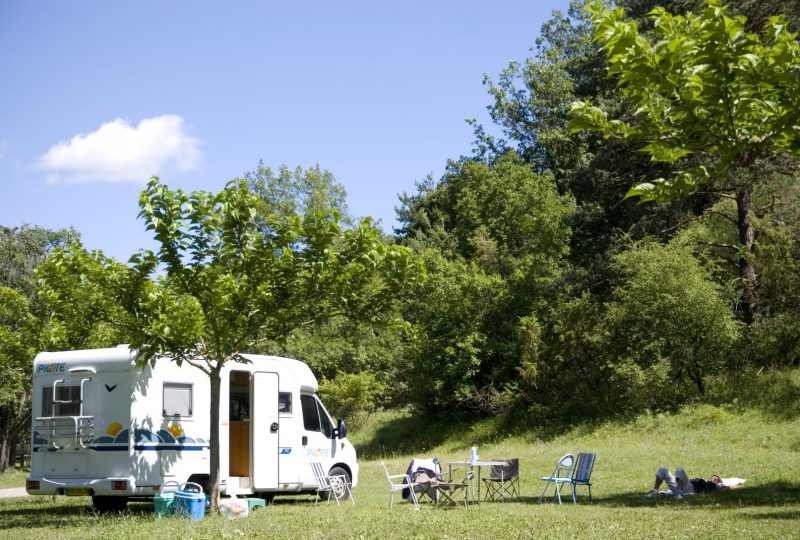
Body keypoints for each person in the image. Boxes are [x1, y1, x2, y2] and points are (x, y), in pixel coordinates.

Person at [644, 467, 746, 499]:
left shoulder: (714, 485)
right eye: (712, 477)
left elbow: (728, 486)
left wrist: (738, 484)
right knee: (663, 469)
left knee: (679, 469)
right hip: (678, 486)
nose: (713, 479)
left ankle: (678, 494)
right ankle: (654, 491)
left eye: (716, 479)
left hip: (689, 489)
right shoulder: (701, 480)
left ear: (718, 481)